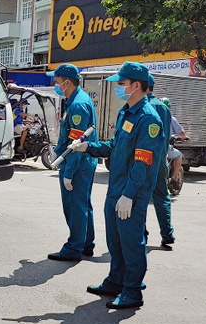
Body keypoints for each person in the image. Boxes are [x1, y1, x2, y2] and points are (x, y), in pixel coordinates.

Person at [70, 62, 165, 309]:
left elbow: (143, 162)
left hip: (131, 191)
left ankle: (133, 291)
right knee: (115, 239)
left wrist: (130, 194)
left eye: (121, 84)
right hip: (116, 188)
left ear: (136, 86)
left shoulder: (147, 118)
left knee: (131, 242)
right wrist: (88, 147)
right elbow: (114, 146)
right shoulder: (126, 112)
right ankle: (116, 281)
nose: (118, 88)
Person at [46, 63, 98, 261]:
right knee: (83, 205)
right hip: (83, 162)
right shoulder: (79, 99)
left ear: (67, 82)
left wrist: (69, 173)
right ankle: (86, 244)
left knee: (75, 206)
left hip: (77, 164)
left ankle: (74, 247)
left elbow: (77, 144)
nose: (56, 85)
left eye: (57, 81)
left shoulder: (77, 105)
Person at [146, 76, 175, 248]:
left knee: (139, 198)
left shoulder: (141, 106)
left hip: (142, 159)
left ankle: (141, 234)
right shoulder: (163, 107)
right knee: (162, 196)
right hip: (160, 159)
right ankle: (167, 233)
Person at [163, 97, 188, 189]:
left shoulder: (152, 117)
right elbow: (182, 133)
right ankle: (173, 178)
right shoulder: (170, 119)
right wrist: (183, 137)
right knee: (178, 156)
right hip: (165, 147)